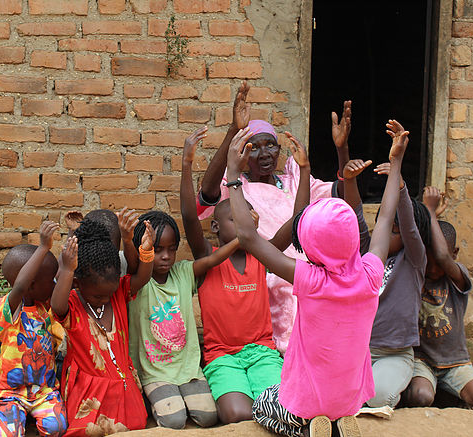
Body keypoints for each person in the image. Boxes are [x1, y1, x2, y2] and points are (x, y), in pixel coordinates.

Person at [229, 121, 407, 437]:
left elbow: (247, 235)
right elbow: (385, 218)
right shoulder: (369, 274)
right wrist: (396, 164)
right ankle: (340, 420)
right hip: (351, 397)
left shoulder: (309, 278)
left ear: (309, 243)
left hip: (309, 397)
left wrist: (232, 175)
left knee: (264, 404)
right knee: (333, 399)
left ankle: (308, 427)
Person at [196, 81, 353, 353]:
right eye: (254, 147)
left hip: (308, 272)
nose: (265, 153)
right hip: (267, 272)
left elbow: (345, 194)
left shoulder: (295, 180)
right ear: (243, 153)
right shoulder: (234, 186)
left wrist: (342, 150)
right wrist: (233, 130)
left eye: (271, 145)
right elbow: (207, 193)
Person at [180, 127, 284, 424]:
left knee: (278, 402)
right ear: (215, 228)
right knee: (237, 414)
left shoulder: (262, 256)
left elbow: (296, 222)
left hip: (263, 354)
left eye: (245, 218)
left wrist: (304, 170)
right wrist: (187, 165)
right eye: (233, 219)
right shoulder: (207, 259)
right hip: (223, 357)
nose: (240, 223)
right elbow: (189, 216)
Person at [127, 211, 240, 429]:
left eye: (171, 249)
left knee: (208, 417)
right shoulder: (138, 282)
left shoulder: (183, 272)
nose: (166, 256)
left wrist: (241, 239)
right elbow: (133, 263)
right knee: (174, 420)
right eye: (157, 250)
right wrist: (128, 239)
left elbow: (213, 259)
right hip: (154, 372)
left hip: (188, 370)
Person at [51, 218, 155, 436]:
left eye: (110, 293)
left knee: (136, 424)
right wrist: (68, 270)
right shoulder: (72, 304)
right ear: (78, 283)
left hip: (124, 388)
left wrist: (146, 250)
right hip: (90, 394)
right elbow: (56, 306)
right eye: (98, 296)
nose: (106, 300)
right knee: (88, 431)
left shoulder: (117, 295)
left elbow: (142, 278)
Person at [403, 187, 473, 412]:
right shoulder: (415, 273)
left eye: (440, 259)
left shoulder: (458, 277)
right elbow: (413, 241)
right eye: (428, 258)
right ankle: (437, 394)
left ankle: (452, 394)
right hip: (421, 361)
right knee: (421, 396)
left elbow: (443, 257)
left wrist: (431, 211)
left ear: (455, 254)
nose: (434, 266)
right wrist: (429, 216)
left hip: (456, 363)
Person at [0, 221, 68, 437]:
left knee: (57, 428)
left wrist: (71, 239)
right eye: (50, 280)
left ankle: (28, 417)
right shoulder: (10, 308)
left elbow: (64, 276)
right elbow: (20, 286)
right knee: (9, 434)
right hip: (8, 391)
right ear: (31, 283)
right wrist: (43, 247)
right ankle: (10, 415)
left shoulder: (45, 307)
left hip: (43, 391)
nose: (54, 283)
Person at [365, 161, 432, 409]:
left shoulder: (413, 260)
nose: (381, 234)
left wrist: (400, 185)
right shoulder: (369, 256)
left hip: (394, 354)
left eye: (394, 230)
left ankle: (393, 387)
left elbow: (410, 228)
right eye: (384, 228)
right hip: (359, 350)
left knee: (377, 397)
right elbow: (359, 220)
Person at [64, 208, 140, 277]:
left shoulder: (121, 259)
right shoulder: (78, 260)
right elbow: (63, 270)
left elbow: (135, 267)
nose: (102, 250)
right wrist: (74, 232)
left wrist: (127, 240)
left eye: (108, 247)